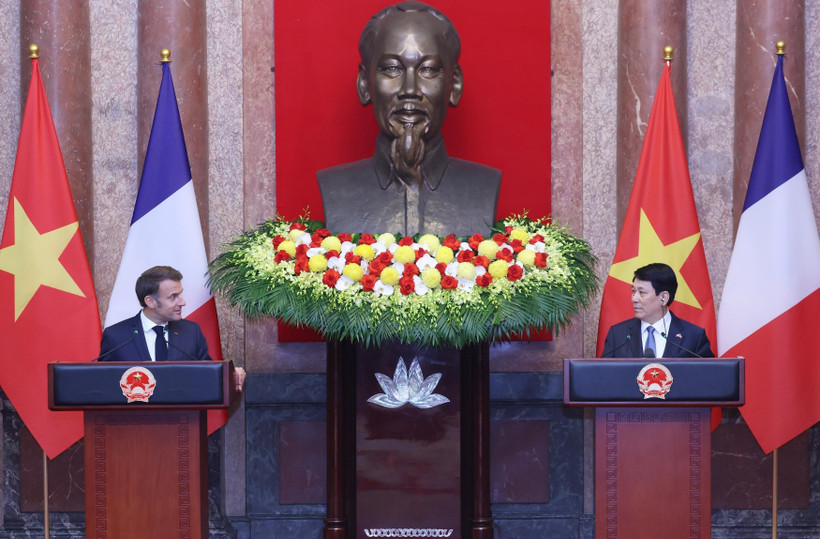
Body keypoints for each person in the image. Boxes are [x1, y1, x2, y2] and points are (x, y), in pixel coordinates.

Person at [317, 1, 501, 236]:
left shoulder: (484, 186)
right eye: (392, 69)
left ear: (454, 85)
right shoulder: (335, 187)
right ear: (365, 83)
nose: (410, 89)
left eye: (428, 69)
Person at [99, 266, 245, 390]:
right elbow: (101, 384)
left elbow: (208, 375)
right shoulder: (117, 336)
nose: (183, 302)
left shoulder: (191, 332)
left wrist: (231, 375)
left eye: (180, 294)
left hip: (184, 420)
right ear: (150, 301)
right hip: (131, 420)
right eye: (173, 297)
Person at [600, 263, 714, 358]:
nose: (634, 298)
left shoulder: (694, 337)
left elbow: (707, 378)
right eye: (633, 291)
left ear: (663, 298)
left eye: (642, 292)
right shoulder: (618, 335)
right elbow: (604, 377)